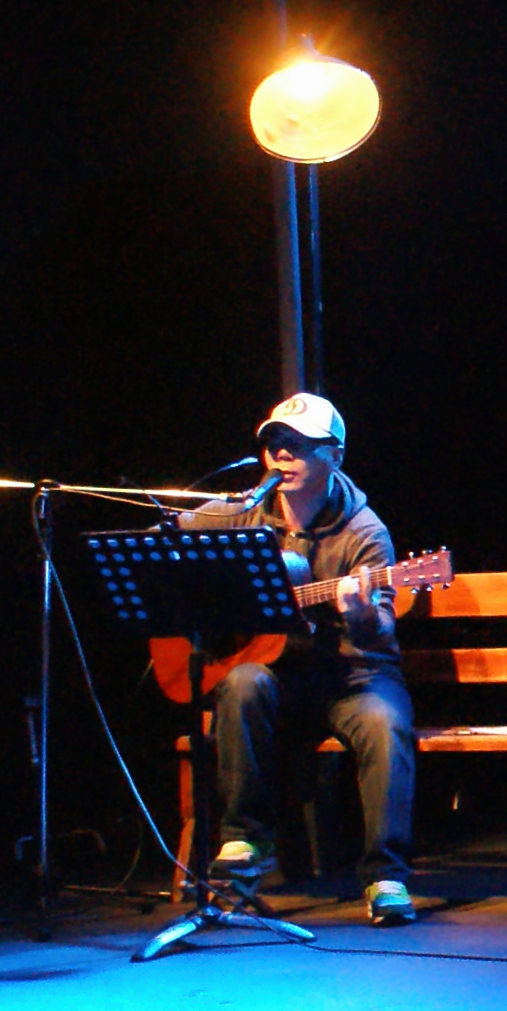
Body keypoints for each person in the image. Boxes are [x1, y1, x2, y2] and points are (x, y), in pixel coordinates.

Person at [187, 393, 420, 926]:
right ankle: (245, 841)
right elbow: (166, 544)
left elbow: (382, 628)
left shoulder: (364, 531)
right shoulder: (241, 513)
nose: (282, 454)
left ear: (334, 456)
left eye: (297, 444)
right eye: (274, 442)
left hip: (353, 675)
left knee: (385, 725)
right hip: (279, 674)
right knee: (242, 683)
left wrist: (360, 612)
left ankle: (386, 876)